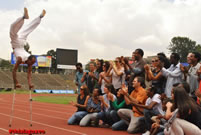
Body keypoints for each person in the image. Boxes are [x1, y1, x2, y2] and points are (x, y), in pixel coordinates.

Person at [10, 8, 46, 89]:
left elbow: (29, 74)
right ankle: (23, 17)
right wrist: (16, 82)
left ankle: (39, 17)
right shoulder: (20, 59)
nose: (32, 64)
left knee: (29, 28)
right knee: (12, 28)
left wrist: (30, 83)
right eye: (32, 62)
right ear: (29, 60)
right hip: (16, 43)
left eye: (33, 63)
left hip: (21, 43)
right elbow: (14, 71)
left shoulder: (29, 60)